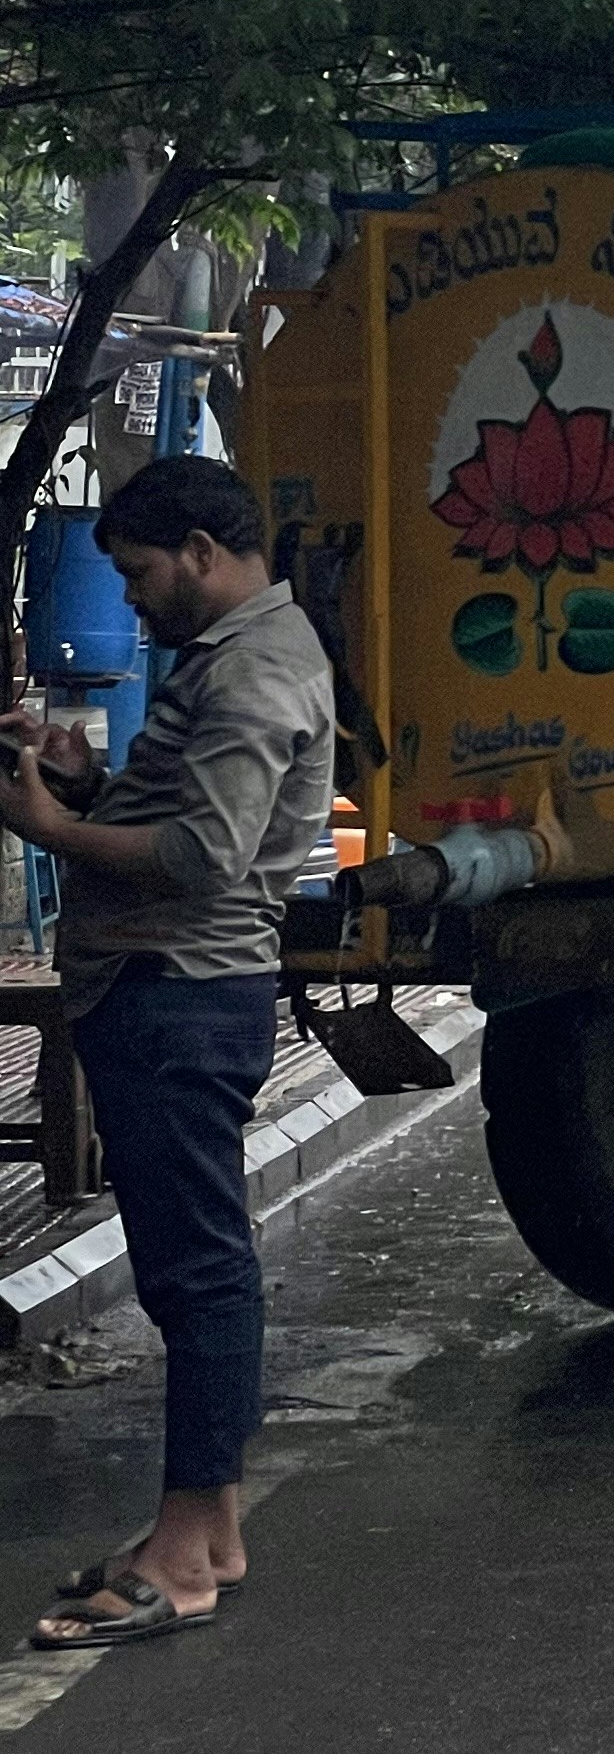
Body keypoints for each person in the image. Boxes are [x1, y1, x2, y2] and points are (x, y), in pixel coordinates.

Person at [2, 456, 336, 1653]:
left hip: (180, 995)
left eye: (141, 575)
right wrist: (88, 780)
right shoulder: (236, 659)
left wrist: (53, 825)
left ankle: (186, 1557)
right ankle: (210, 1533)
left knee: (198, 1273)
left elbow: (203, 856)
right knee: (195, 1265)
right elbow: (188, 814)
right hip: (170, 992)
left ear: (201, 551)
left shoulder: (252, 672)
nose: (134, 602)